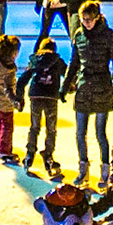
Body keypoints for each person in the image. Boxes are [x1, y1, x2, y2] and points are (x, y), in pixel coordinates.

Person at [62, 1, 113, 189]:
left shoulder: (109, 35)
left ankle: (105, 171)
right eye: (83, 20)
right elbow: (74, 63)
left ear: (97, 17)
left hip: (102, 87)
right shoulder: (78, 36)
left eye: (89, 19)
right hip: (83, 88)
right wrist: (65, 86)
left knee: (100, 133)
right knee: (80, 133)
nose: (86, 23)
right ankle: (83, 169)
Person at [22, 36, 66, 178]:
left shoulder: (35, 60)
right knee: (51, 129)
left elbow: (25, 76)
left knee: (34, 127)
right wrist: (68, 88)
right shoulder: (57, 61)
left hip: (35, 96)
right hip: (51, 97)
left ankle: (30, 154)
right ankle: (48, 155)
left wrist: (18, 92)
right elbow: (68, 73)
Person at [0, 35, 22, 164]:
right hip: (4, 100)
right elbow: (8, 90)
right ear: (13, 52)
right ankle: (4, 150)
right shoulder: (8, 70)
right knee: (7, 124)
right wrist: (16, 102)